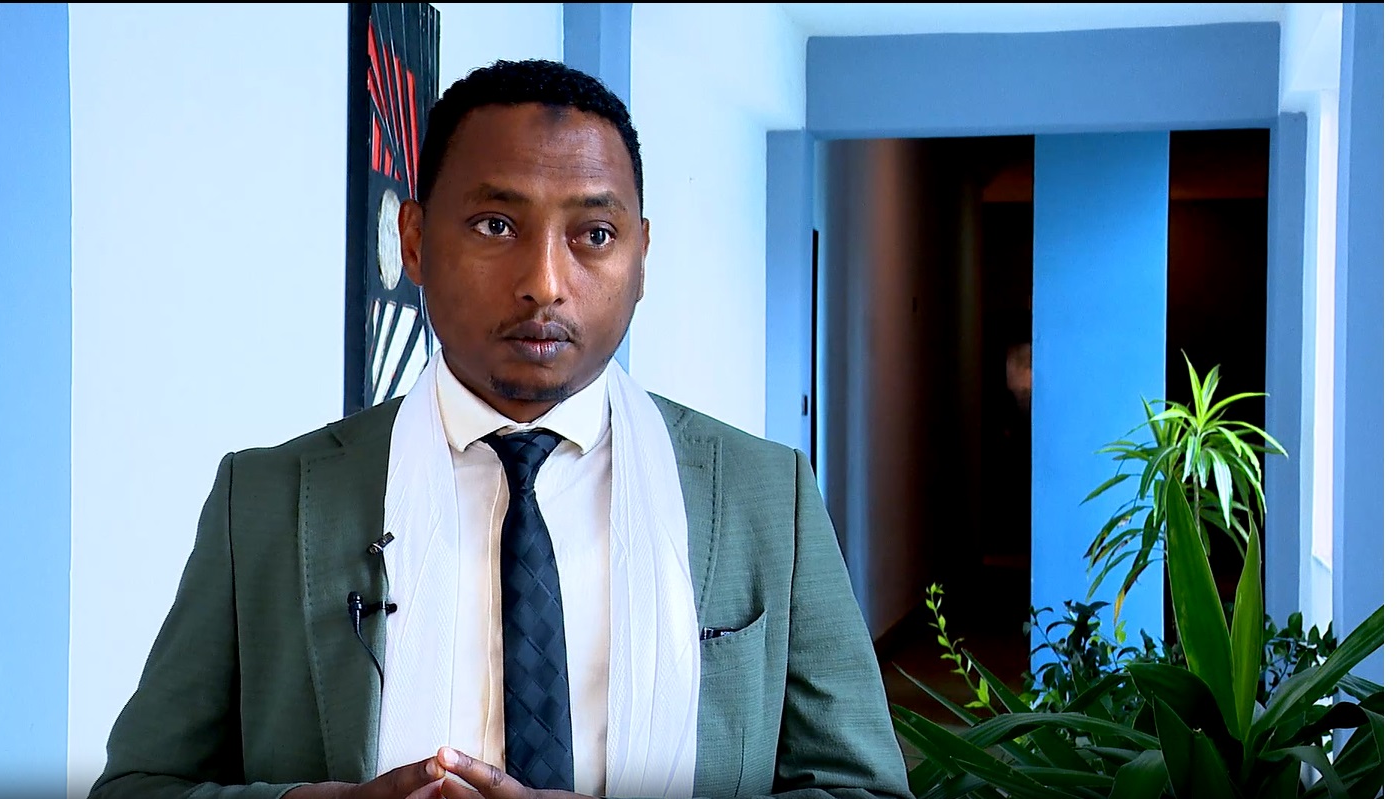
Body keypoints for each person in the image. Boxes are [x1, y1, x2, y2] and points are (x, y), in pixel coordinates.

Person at [89, 59, 909, 799]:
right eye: (495, 225)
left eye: (594, 235)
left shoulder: (767, 495)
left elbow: (862, 786)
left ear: (641, 257)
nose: (545, 282)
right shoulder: (267, 498)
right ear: (414, 241)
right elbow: (137, 784)